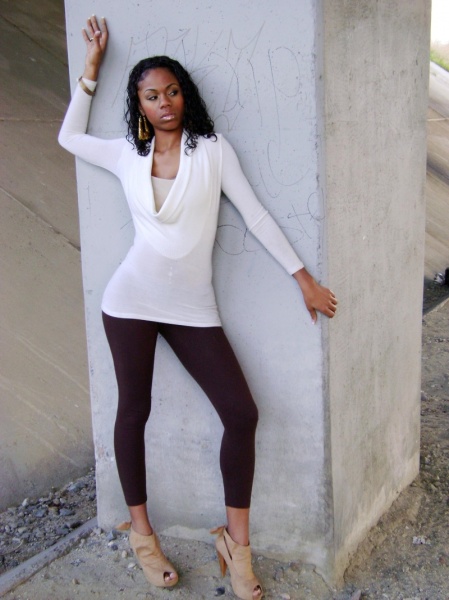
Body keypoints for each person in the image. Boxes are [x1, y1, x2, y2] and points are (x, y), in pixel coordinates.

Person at [59, 15, 337, 600]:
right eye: (152, 96)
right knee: (132, 411)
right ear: (138, 104)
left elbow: (255, 213)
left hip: (192, 308)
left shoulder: (211, 151)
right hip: (130, 301)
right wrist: (90, 72)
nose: (165, 104)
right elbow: (68, 138)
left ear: (186, 94)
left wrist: (303, 280)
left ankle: (235, 544)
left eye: (173, 91)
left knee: (241, 413)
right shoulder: (125, 156)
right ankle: (142, 535)